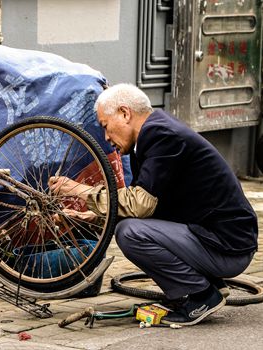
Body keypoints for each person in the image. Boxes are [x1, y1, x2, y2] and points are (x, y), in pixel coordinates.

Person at [49, 83, 258, 326]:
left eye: (106, 126)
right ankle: (205, 287)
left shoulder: (162, 136)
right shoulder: (152, 136)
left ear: (125, 114)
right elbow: (147, 203)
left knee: (130, 232)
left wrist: (77, 189)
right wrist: (93, 217)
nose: (106, 137)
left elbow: (139, 206)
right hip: (216, 240)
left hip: (227, 248)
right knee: (131, 225)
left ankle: (202, 296)